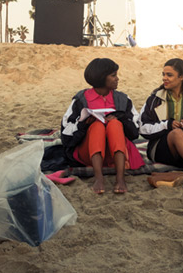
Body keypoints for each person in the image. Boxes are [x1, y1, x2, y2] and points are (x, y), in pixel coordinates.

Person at [61, 58, 144, 194]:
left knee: (115, 124)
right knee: (98, 126)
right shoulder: (81, 100)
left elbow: (135, 132)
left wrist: (120, 118)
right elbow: (66, 133)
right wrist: (83, 124)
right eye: (113, 75)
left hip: (117, 153)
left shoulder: (123, 99)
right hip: (89, 152)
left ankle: (120, 178)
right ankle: (98, 178)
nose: (117, 79)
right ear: (101, 78)